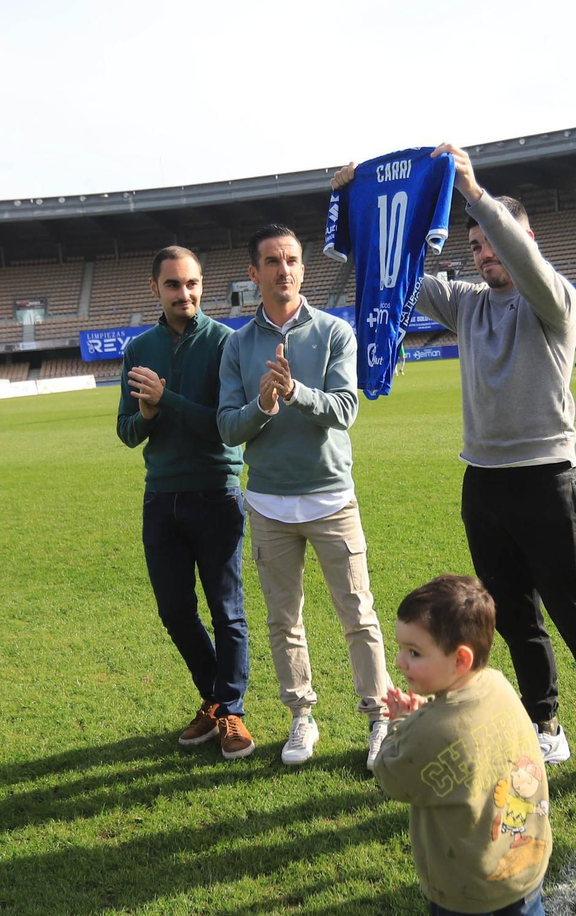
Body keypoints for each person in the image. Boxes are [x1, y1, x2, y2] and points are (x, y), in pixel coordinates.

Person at [332, 145, 576, 798]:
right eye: (474, 245)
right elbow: (389, 277)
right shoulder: (467, 304)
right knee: (515, 620)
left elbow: (526, 263)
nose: (484, 253)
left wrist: (475, 196)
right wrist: (353, 209)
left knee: (575, 614)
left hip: (546, 479)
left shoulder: (553, 300)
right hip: (483, 483)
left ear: (523, 240)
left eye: (493, 241)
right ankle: (545, 726)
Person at [217, 224, 392, 769]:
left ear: (303, 268)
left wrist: (294, 392)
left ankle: (380, 718)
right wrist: (264, 407)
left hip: (331, 498)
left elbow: (345, 409)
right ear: (254, 273)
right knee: (283, 620)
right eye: (272, 261)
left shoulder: (335, 332)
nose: (284, 269)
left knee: (358, 614)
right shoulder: (236, 345)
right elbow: (227, 427)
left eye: (291, 259)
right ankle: (301, 716)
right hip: (268, 505)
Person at [373, 575, 561, 916]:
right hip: (522, 857)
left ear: (460, 659)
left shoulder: (429, 730)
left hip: (463, 881)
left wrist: (402, 724)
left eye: (414, 652)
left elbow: (390, 776)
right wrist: (422, 715)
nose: (401, 662)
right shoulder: (498, 685)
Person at [117, 245, 254, 761]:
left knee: (227, 611)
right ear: (155, 288)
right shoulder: (139, 349)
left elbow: (225, 427)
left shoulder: (225, 343)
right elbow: (127, 431)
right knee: (174, 611)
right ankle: (216, 699)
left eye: (192, 283)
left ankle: (231, 709)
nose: (184, 293)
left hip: (216, 492)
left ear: (202, 285)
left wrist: (166, 400)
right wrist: (148, 415)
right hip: (161, 498)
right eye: (173, 284)